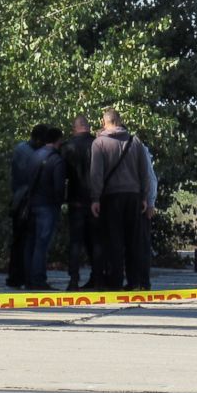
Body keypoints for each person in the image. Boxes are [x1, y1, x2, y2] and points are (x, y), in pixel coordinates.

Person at [90, 108, 150, 291]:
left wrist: (95, 198)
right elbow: (144, 172)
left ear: (104, 122)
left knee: (113, 240)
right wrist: (145, 196)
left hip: (111, 196)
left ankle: (114, 281)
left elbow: (96, 174)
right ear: (120, 120)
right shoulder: (135, 142)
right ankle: (135, 281)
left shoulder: (99, 143)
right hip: (133, 196)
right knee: (134, 241)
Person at [6, 123, 48, 288]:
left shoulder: (20, 149)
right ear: (38, 140)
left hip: (18, 199)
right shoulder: (33, 154)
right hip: (26, 201)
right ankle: (24, 276)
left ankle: (16, 276)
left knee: (19, 241)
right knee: (27, 241)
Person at [61, 115, 100, 291]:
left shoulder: (67, 147)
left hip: (76, 200)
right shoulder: (97, 145)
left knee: (75, 242)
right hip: (95, 200)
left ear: (75, 128)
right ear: (88, 127)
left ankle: (74, 279)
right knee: (96, 241)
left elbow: (62, 175)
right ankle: (97, 277)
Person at [24, 127, 66, 290]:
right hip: (48, 206)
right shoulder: (57, 160)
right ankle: (38, 280)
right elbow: (59, 187)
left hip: (32, 203)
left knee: (31, 243)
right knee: (42, 244)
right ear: (58, 140)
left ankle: (29, 278)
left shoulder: (34, 156)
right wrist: (60, 201)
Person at [125, 142, 157, 290]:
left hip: (139, 203)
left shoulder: (138, 148)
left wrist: (150, 202)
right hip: (133, 201)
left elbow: (150, 178)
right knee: (131, 245)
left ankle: (143, 282)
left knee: (140, 244)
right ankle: (134, 281)